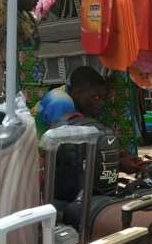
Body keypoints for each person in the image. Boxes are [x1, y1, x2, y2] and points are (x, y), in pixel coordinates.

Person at [38, 66, 145, 201]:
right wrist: (116, 163)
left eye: (103, 97)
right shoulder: (61, 103)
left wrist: (121, 155)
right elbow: (70, 156)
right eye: (95, 97)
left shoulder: (72, 102)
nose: (101, 103)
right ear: (76, 93)